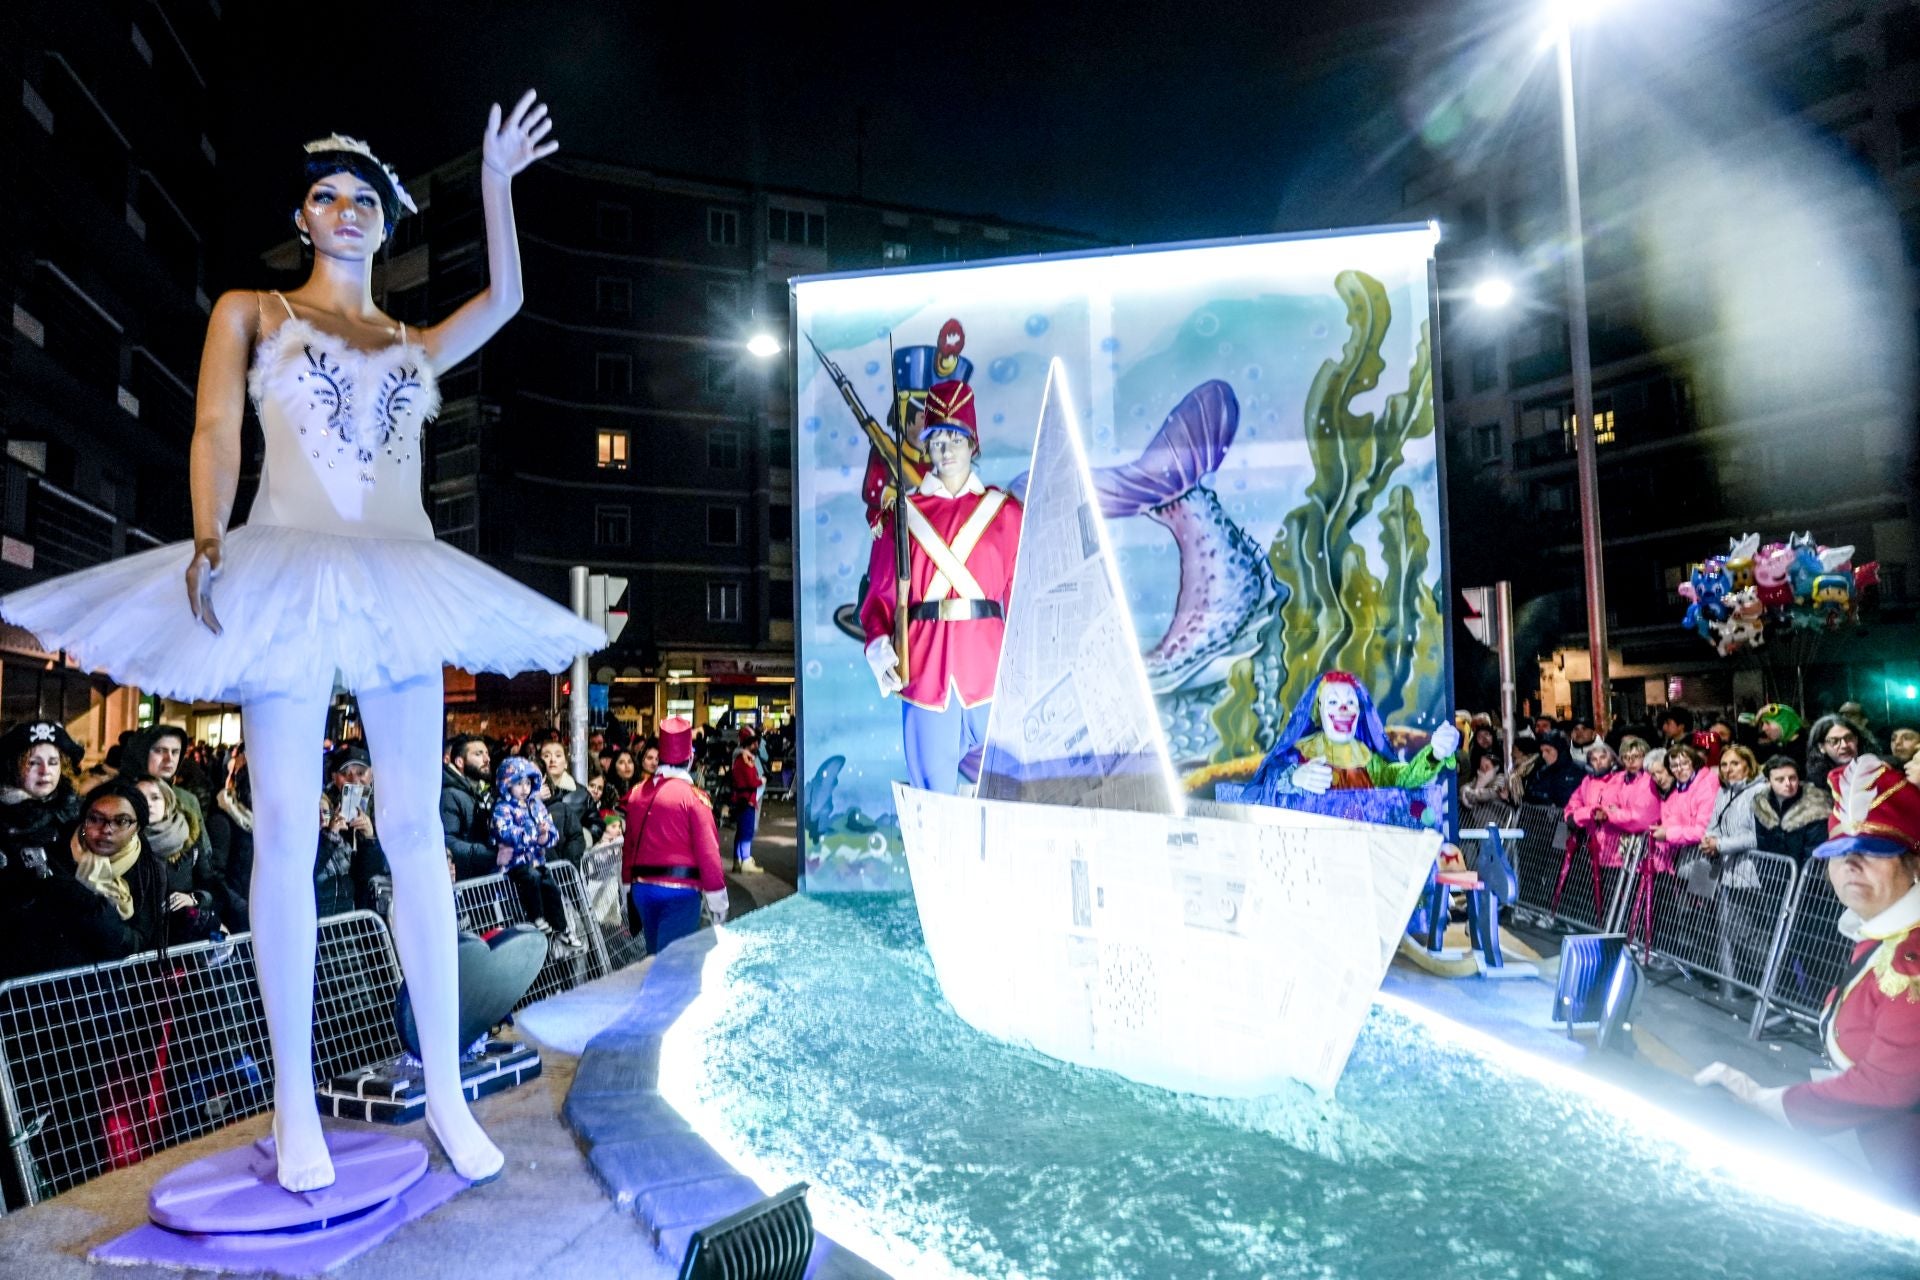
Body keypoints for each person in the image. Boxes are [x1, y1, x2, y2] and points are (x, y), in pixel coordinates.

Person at [0, 105, 600, 1192]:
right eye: (329, 196)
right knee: (282, 822)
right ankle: (290, 1097)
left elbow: (507, 299)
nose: (349, 212)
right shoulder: (254, 309)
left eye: (367, 199)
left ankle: (451, 1088)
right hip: (284, 563)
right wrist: (208, 533)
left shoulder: (410, 341)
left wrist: (495, 181)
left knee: (415, 828)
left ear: (383, 221)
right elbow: (215, 429)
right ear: (301, 215)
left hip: (399, 574)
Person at [1697, 754, 1920, 1205]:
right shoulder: (1877, 932)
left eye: (1874, 853)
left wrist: (1767, 1102)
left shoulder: (1908, 962)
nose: (1852, 866)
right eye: (1840, 854)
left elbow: (1887, 1086)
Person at [860, 379, 1023, 794]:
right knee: (932, 803)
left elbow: (1022, 597)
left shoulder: (1006, 514)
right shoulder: (901, 515)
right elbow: (880, 595)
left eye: (956, 437)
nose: (947, 449)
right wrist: (879, 643)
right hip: (926, 673)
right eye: (937, 439)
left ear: (973, 445)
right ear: (926, 447)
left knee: (1006, 798)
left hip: (991, 673)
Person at [621, 717, 729, 955]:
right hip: (680, 891)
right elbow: (708, 851)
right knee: (671, 964)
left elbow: (629, 847)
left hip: (642, 891)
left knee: (654, 956)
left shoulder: (637, 793)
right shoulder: (693, 797)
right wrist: (717, 899)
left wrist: (627, 887)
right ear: (689, 759)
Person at [492, 756, 580, 951]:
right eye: (518, 783)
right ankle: (537, 917)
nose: (524, 788)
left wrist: (544, 836)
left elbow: (552, 832)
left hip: (537, 860)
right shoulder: (502, 807)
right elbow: (505, 833)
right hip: (514, 863)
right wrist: (534, 834)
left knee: (551, 887)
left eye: (527, 783)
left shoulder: (536, 805)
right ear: (506, 784)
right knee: (530, 879)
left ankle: (561, 929)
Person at [128, 774, 224, 943]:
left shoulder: (189, 838)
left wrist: (195, 898)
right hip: (143, 943)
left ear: (167, 802)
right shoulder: (122, 843)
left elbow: (209, 882)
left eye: (155, 797)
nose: (148, 803)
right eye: (140, 798)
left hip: (184, 940)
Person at [315, 746, 391, 918]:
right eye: (346, 774)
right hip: (336, 908)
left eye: (361, 773)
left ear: (371, 774)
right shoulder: (323, 807)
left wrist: (370, 837)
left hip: (372, 907)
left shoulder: (384, 807)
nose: (354, 780)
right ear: (334, 778)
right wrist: (331, 833)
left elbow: (373, 871)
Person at [1751, 755, 1831, 865]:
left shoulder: (1815, 806)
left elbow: (1813, 855)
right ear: (1768, 782)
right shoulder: (1761, 805)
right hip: (1770, 876)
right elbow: (1761, 846)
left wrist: (1802, 880)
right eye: (1780, 780)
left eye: (1792, 778)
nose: (1788, 784)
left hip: (1803, 876)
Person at [441, 733, 496, 881]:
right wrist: (488, 854)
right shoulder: (450, 794)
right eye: (478, 754)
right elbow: (448, 840)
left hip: (480, 876)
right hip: (465, 880)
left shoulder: (481, 791)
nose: (487, 759)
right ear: (460, 761)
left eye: (487, 754)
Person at [535, 739, 598, 867]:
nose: (552, 760)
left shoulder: (581, 793)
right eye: (546, 756)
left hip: (575, 863)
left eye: (558, 755)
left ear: (565, 763)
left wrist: (582, 837)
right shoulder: (527, 793)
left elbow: (596, 823)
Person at [1805, 713, 1872, 798]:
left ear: (1857, 739)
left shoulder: (1877, 770)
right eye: (1834, 741)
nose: (1844, 745)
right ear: (1821, 747)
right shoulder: (1815, 788)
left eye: (1849, 738)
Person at [729, 729, 765, 874]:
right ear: (748, 743)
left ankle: (737, 861)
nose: (756, 745)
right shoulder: (746, 758)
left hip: (739, 798)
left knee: (741, 831)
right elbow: (751, 781)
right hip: (746, 799)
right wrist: (761, 780)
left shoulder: (738, 757)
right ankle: (746, 860)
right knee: (747, 832)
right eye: (753, 742)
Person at [1522, 732, 1585, 809]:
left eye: (1548, 751)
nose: (1543, 755)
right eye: (1542, 751)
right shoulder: (1541, 772)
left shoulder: (1578, 771)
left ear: (1560, 750)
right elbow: (1529, 798)